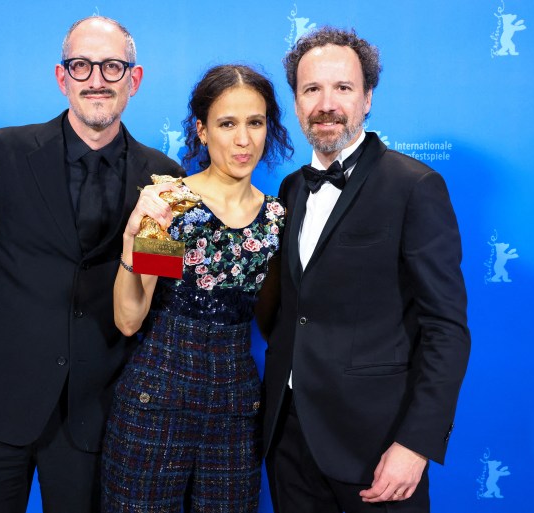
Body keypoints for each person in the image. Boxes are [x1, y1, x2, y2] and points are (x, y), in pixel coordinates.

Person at [0, 16, 182, 513]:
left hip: (100, 411)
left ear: (135, 78)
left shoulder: (165, 177)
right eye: (81, 65)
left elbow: (159, 298)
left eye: (112, 66)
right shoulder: (4, 152)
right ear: (62, 76)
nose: (96, 79)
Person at [258, 27, 471, 513]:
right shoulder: (290, 190)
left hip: (376, 447)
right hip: (289, 440)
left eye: (343, 88)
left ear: (368, 98)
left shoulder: (414, 186)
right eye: (312, 89)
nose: (326, 103)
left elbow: (446, 329)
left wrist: (415, 445)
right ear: (296, 102)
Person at [101, 64, 293, 513]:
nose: (243, 140)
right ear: (202, 131)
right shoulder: (171, 204)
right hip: (156, 399)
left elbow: (275, 321)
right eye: (227, 124)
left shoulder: (277, 219)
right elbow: (129, 319)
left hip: (235, 408)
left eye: (255, 123)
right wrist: (134, 241)